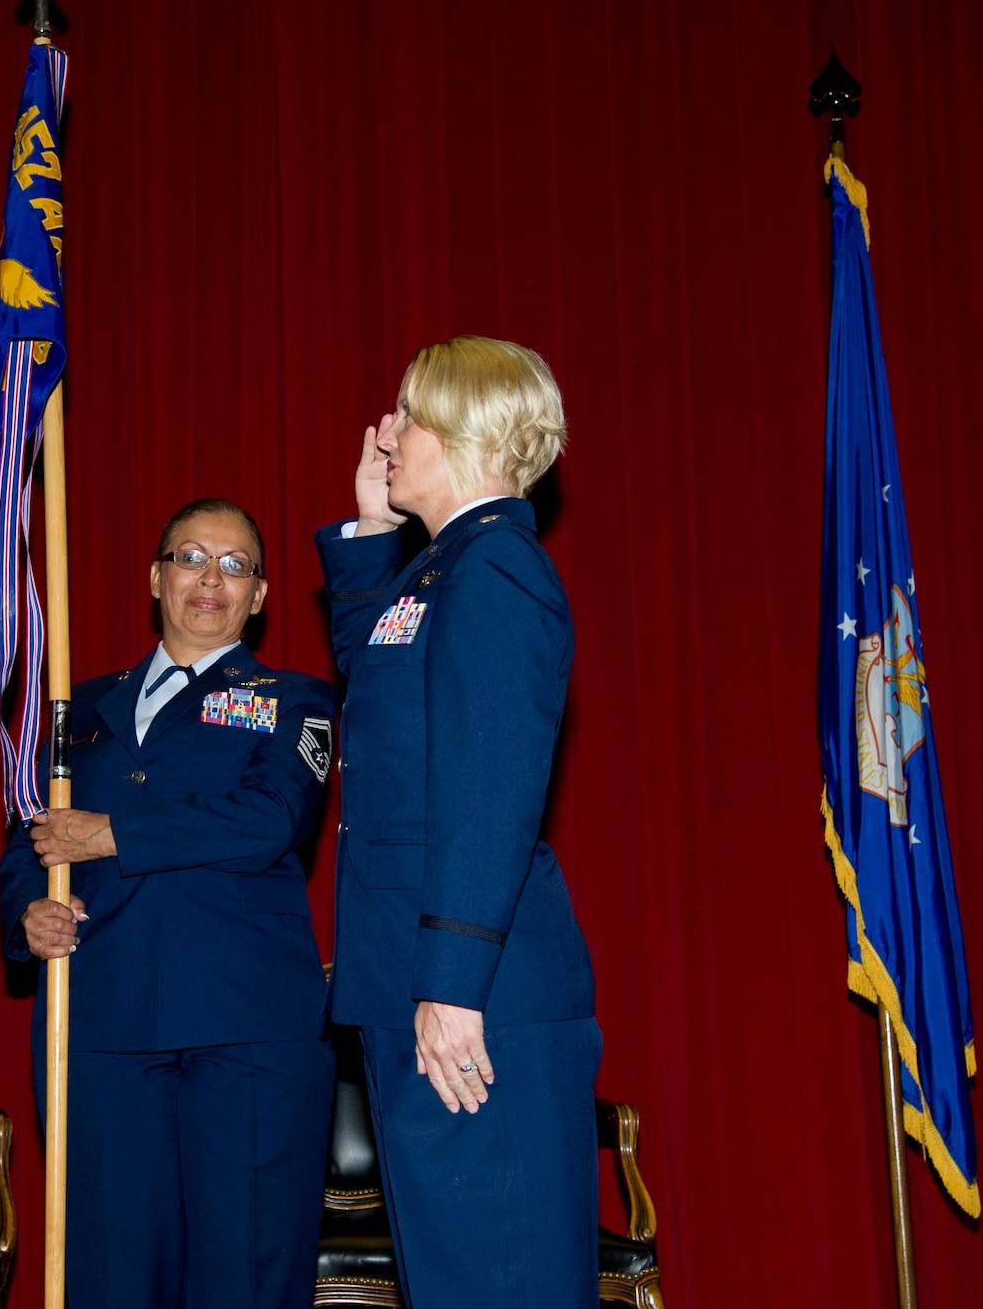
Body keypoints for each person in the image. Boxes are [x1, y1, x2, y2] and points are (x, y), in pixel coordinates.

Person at [315, 336, 602, 1308]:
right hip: (420, 981)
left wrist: (449, 983)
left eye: (409, 413)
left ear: (471, 433)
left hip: (471, 994)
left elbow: (490, 791)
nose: (387, 433)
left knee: (500, 1274)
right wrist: (365, 526)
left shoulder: (497, 572)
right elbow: (383, 693)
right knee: (455, 1276)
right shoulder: (442, 572)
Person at [0, 498, 337, 1309]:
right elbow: (25, 839)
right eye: (190, 557)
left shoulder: (295, 699)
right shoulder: (74, 711)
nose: (210, 579)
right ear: (156, 578)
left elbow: (273, 816)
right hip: (103, 1026)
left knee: (245, 1277)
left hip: (247, 1029)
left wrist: (115, 834)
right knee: (109, 1275)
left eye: (235, 564)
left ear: (259, 595)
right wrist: (26, 914)